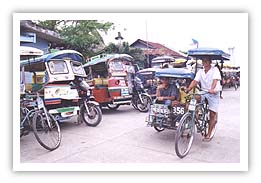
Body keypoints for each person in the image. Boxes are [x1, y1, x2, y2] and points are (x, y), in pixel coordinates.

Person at [186, 56, 222, 141]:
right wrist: (188, 89)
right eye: (203, 61)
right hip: (203, 92)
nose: (204, 63)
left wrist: (212, 89)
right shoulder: (200, 71)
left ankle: (209, 134)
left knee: (212, 113)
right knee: (193, 99)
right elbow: (195, 81)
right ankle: (195, 118)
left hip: (213, 93)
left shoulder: (215, 70)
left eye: (206, 61)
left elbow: (215, 80)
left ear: (210, 62)